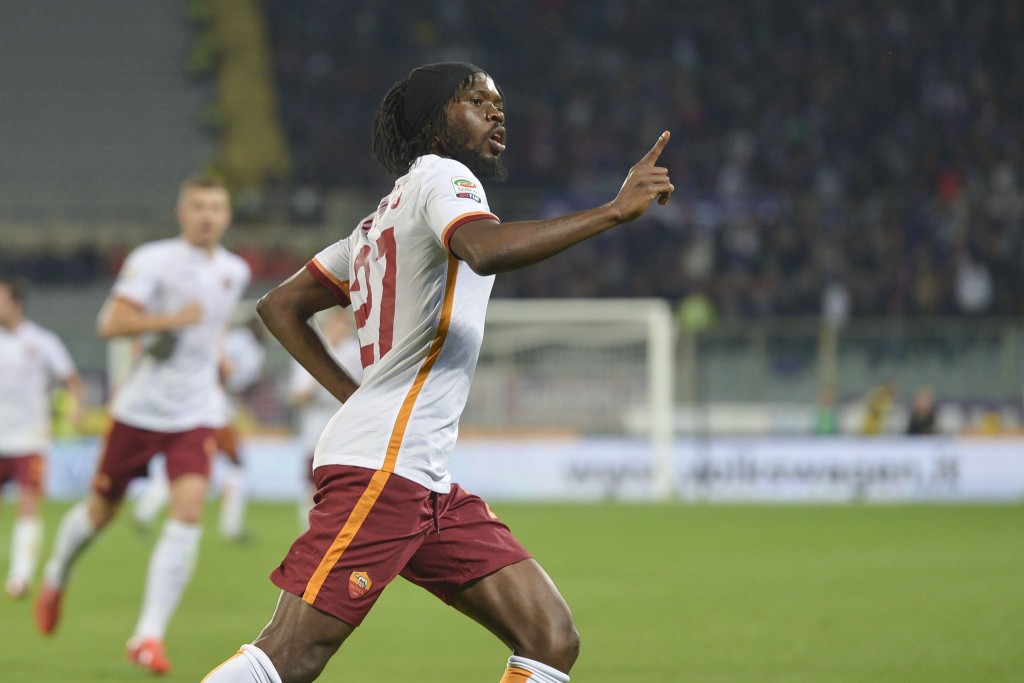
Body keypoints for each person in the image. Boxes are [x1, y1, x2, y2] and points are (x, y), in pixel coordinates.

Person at [201, 62, 672, 683]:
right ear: (436, 125)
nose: (496, 110)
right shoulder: (445, 179)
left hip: (421, 475)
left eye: (498, 101)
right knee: (291, 655)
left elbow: (279, 305)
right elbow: (483, 249)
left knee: (550, 638)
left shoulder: (375, 225)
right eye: (476, 100)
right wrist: (613, 212)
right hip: (385, 465)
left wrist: (357, 399)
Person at [35, 176, 251, 675]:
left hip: (195, 411)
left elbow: (210, 328)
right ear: (182, 212)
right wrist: (171, 320)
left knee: (190, 511)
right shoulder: (153, 260)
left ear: (227, 215)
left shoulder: (233, 271)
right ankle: (56, 574)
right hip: (139, 410)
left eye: (216, 207)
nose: (207, 215)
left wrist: (215, 357)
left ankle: (148, 635)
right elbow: (111, 323)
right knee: (100, 513)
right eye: (198, 206)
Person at [133, 314, 268, 542]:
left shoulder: (224, 340)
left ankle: (145, 510)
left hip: (193, 407)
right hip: (216, 412)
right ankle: (231, 527)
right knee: (234, 468)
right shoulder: (248, 349)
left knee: (184, 464)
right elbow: (236, 380)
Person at [0, 276, 83, 599]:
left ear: (16, 302)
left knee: (28, 504)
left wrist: (75, 407)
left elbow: (72, 380)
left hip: (29, 439)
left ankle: (20, 577)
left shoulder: (42, 341)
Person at [287, 308, 363, 530]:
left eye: (346, 325)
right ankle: (308, 530)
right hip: (316, 431)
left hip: (348, 431)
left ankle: (341, 531)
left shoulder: (355, 352)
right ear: (329, 325)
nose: (343, 329)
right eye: (339, 324)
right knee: (314, 486)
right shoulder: (311, 351)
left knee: (347, 485)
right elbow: (297, 396)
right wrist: (322, 378)